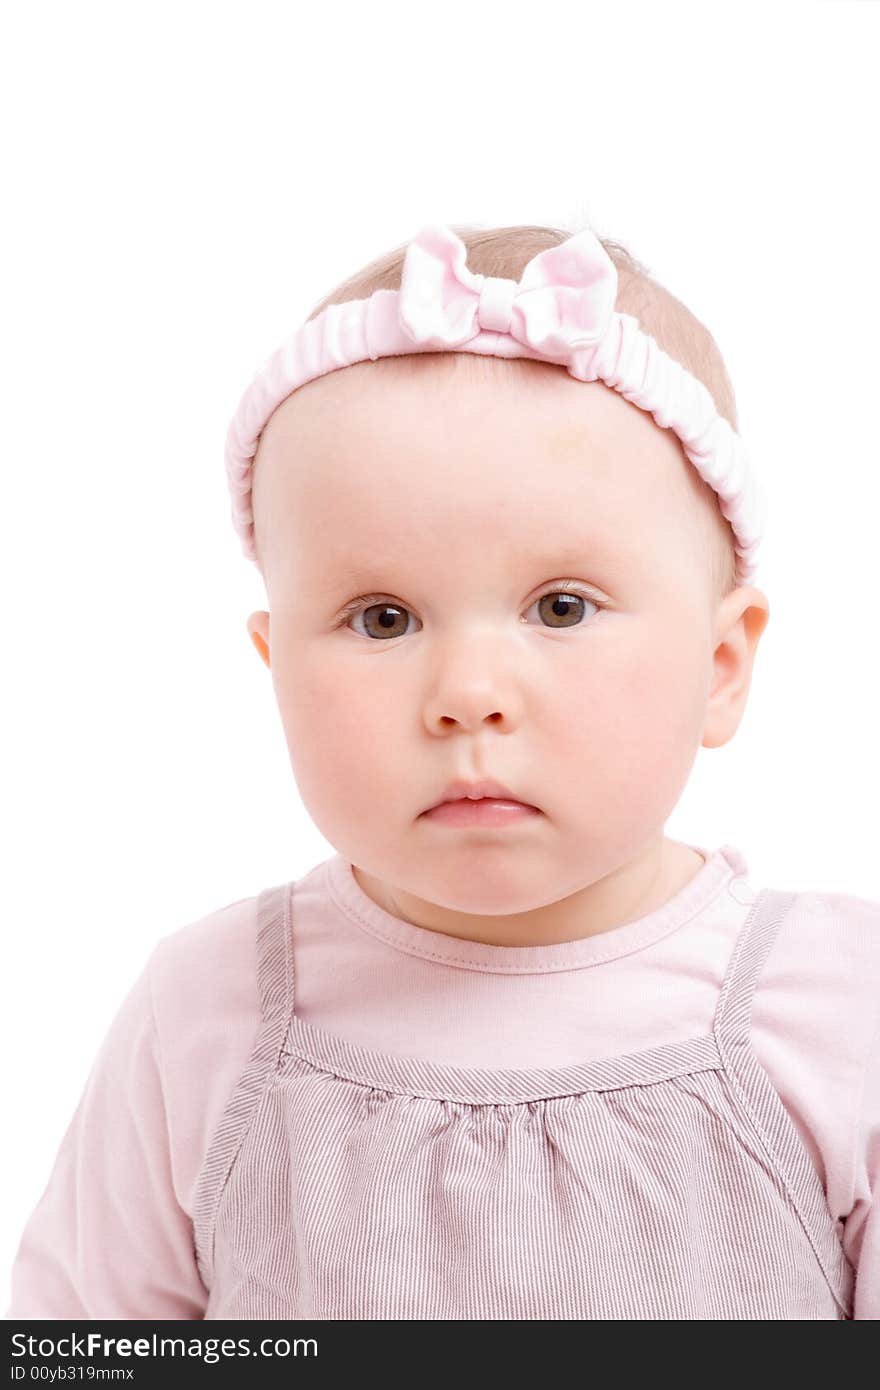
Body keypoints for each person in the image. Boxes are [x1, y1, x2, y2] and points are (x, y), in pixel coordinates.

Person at [6, 221, 878, 1320]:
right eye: (382, 617)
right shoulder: (211, 1015)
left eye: (561, 606)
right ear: (275, 666)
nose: (468, 690)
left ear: (719, 665)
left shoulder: (841, 1013)